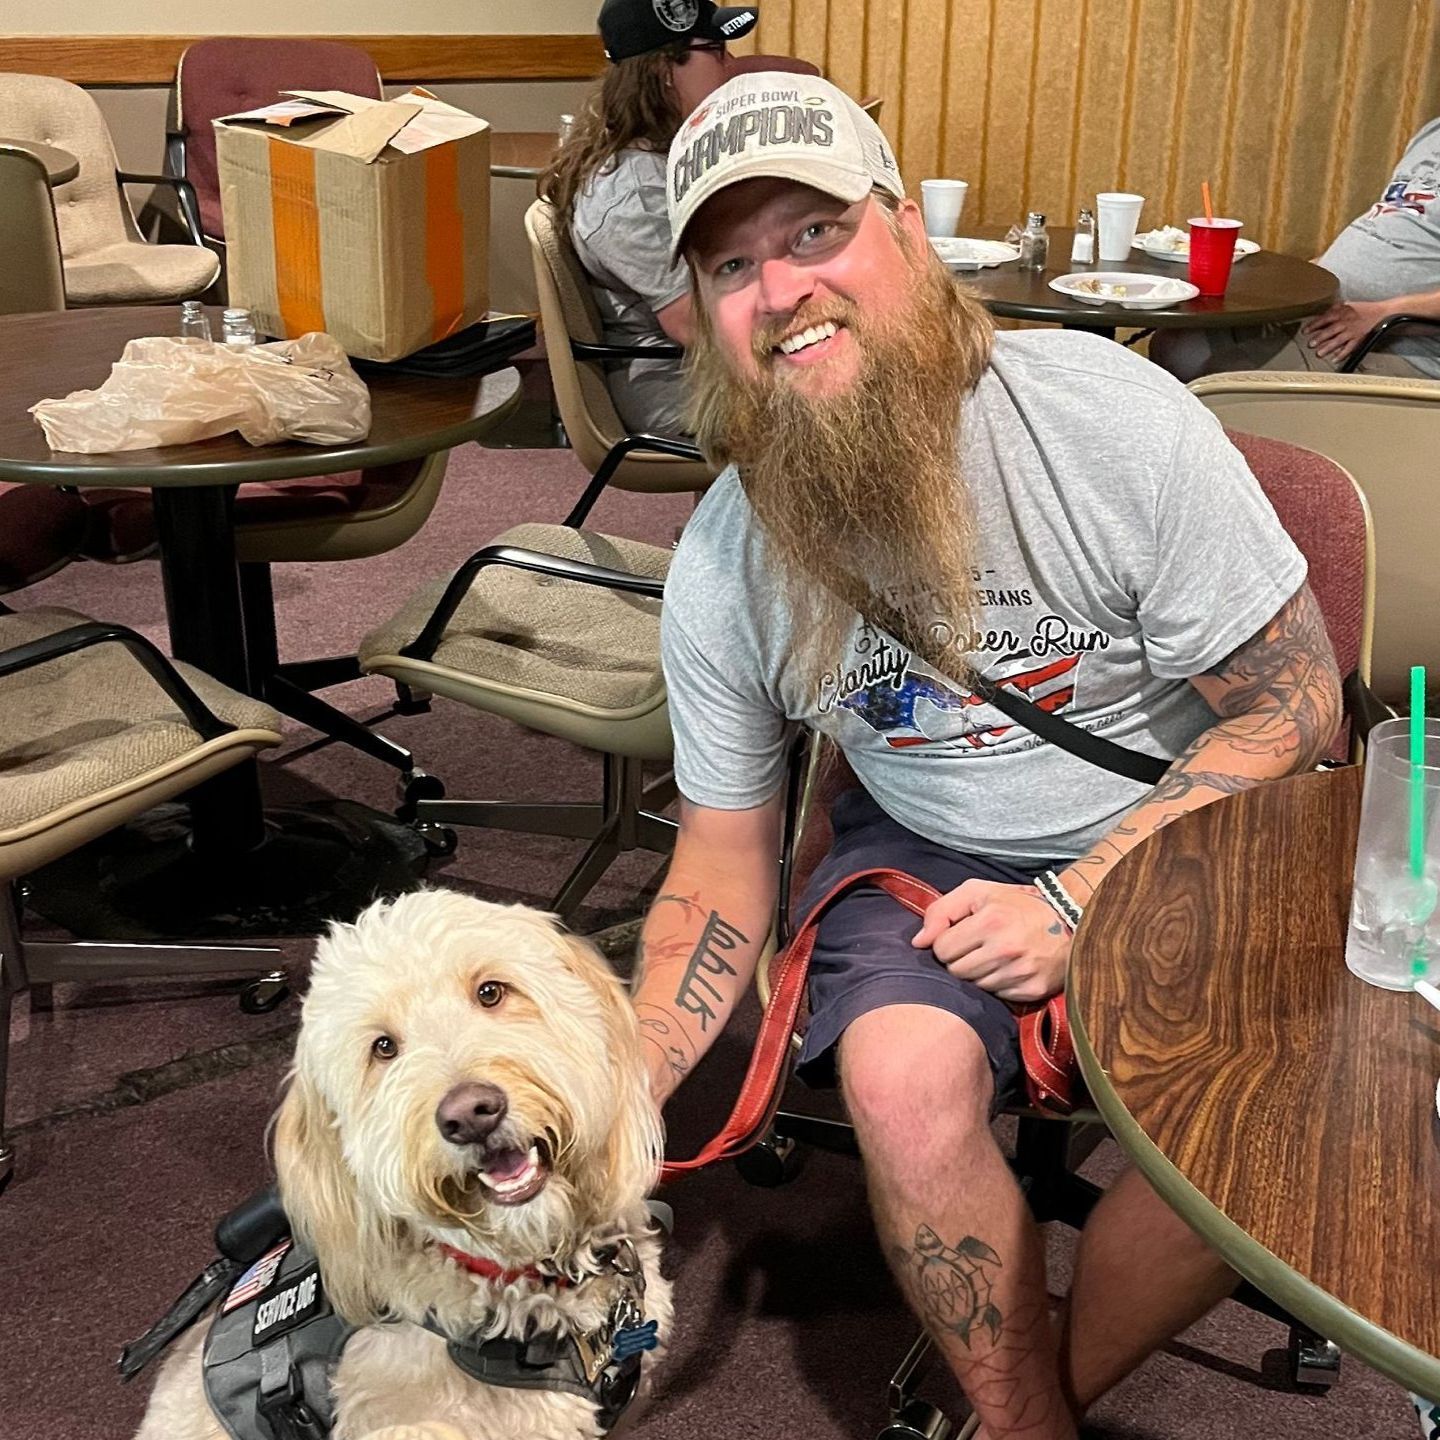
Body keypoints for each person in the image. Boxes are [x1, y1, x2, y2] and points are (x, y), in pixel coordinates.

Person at [629, 72, 1344, 1440]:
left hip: (1181, 821)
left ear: (905, 230)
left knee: (1253, 1124)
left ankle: (1029, 1405)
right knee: (897, 1086)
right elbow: (720, 867)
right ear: (705, 320)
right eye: (733, 263)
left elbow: (1298, 707)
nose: (780, 289)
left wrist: (1077, 901)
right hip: (931, 846)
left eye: (814, 233)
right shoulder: (725, 555)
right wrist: (619, 1088)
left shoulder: (1105, 420)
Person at [538, 0, 758, 437]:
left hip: (708, 367)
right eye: (715, 49)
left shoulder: (667, 155)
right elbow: (693, 324)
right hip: (678, 384)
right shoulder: (632, 194)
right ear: (663, 72)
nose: (730, 65)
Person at [1152, 116, 1440, 380]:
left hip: (1390, 343)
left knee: (1223, 379)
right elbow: (1394, 220)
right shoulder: (1432, 133)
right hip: (1322, 312)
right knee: (1176, 343)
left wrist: (1384, 312)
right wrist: (1297, 280)